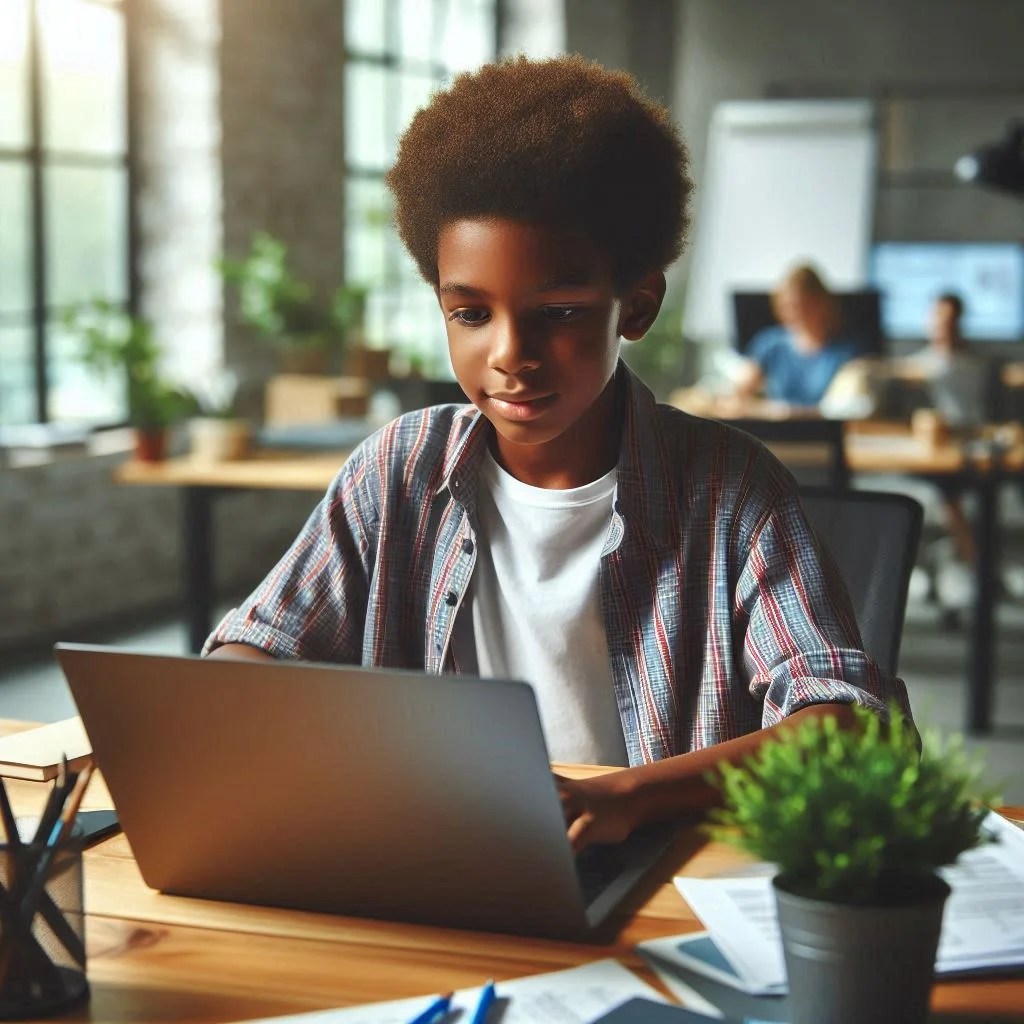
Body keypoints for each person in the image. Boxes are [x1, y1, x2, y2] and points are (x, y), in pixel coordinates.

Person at [205, 56, 911, 851]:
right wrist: (227, 692)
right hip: (437, 855)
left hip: (652, 869)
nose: (510, 354)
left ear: (635, 306)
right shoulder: (397, 469)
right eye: (471, 314)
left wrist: (631, 797)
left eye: (560, 312)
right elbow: (257, 648)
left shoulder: (734, 490)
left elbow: (852, 724)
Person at [733, 264, 863, 407]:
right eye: (788, 306)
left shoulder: (847, 352)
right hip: (776, 419)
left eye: (804, 305)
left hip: (822, 421)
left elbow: (850, 404)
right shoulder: (770, 344)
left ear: (823, 303)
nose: (796, 313)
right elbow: (738, 393)